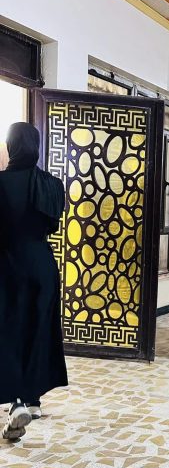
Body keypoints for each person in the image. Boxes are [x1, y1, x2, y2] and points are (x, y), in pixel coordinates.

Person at [0, 122, 67, 441]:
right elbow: (52, 224)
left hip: (7, 263)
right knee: (39, 328)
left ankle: (15, 401)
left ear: (11, 146)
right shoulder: (52, 185)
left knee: (9, 331)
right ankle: (33, 398)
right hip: (42, 264)